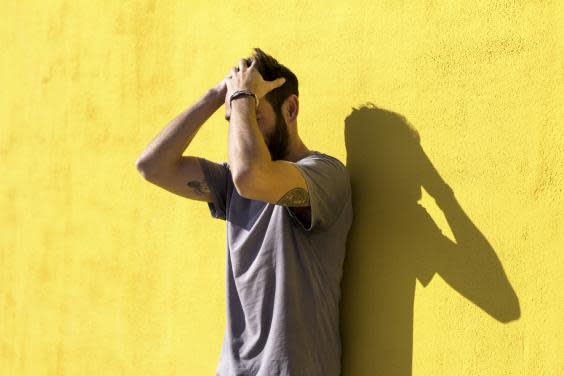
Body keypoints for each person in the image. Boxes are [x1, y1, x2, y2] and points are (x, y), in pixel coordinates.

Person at [135, 48, 353, 376]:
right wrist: (216, 96)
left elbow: (252, 177)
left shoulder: (324, 174)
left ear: (290, 109)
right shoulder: (231, 183)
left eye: (254, 114)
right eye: (235, 118)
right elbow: (152, 166)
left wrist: (241, 96)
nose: (241, 124)